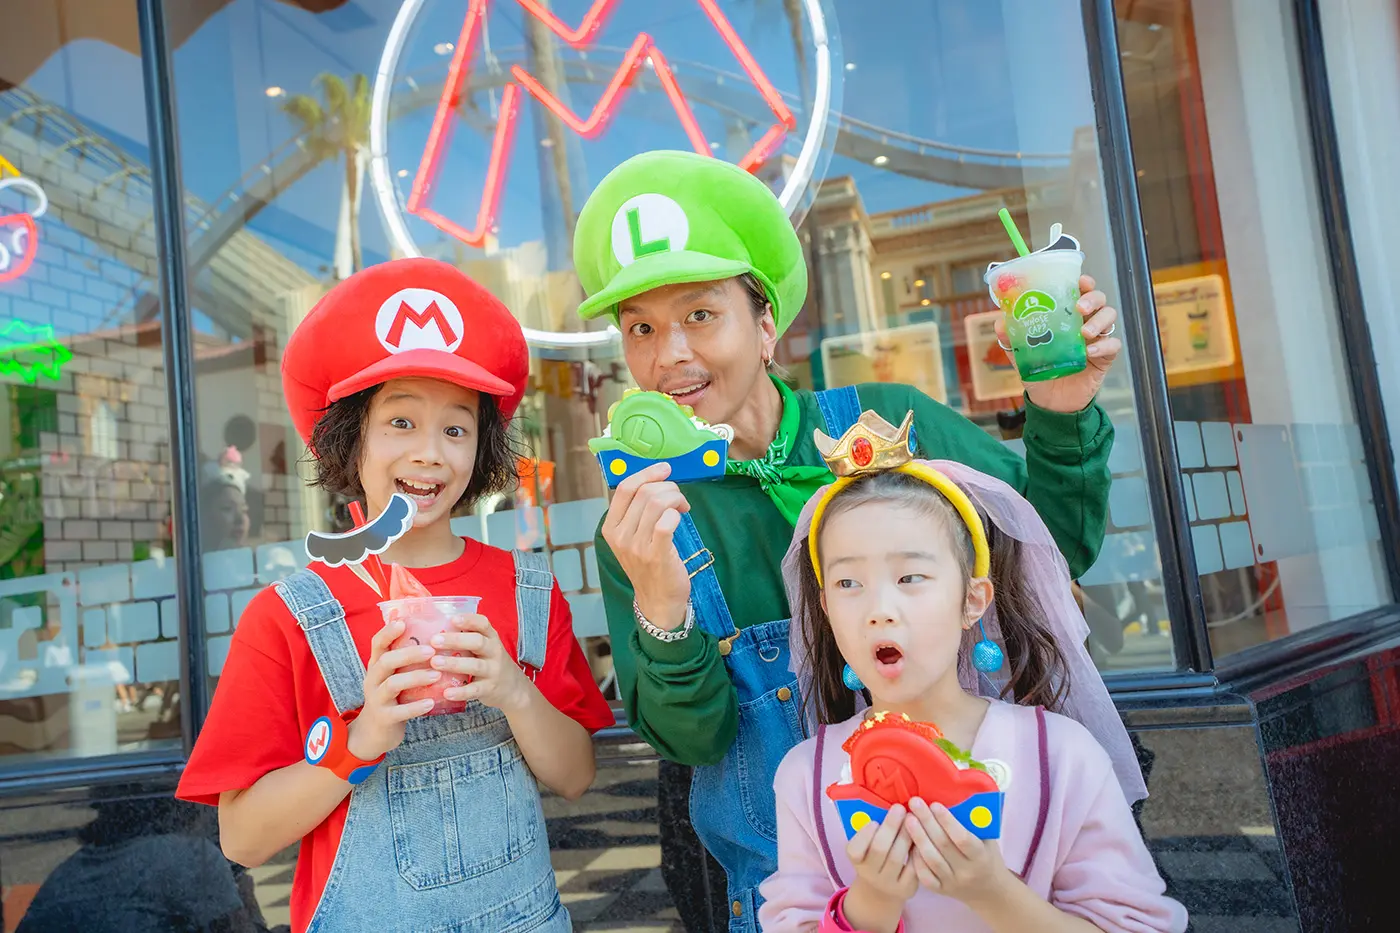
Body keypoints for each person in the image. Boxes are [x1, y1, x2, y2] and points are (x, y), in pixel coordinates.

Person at [571, 150, 1123, 930]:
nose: (670, 355)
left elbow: (1056, 546)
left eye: (700, 315)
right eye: (641, 328)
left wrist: (1061, 409)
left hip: (982, 883)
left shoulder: (890, 421)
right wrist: (663, 603)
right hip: (796, 903)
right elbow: (695, 740)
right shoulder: (645, 522)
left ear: (766, 325)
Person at [176, 258, 615, 933]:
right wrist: (362, 739)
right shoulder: (287, 617)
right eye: (401, 422)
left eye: (456, 429)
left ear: (481, 450)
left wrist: (514, 691)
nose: (430, 453)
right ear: (350, 439)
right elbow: (242, 839)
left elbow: (576, 776)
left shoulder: (528, 588)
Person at [758, 429, 1186, 932]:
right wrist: (871, 902)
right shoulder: (806, 776)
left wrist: (992, 891)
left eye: (910, 578)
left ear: (973, 600)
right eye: (848, 582)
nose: (879, 610)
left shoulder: (1060, 754)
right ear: (826, 607)